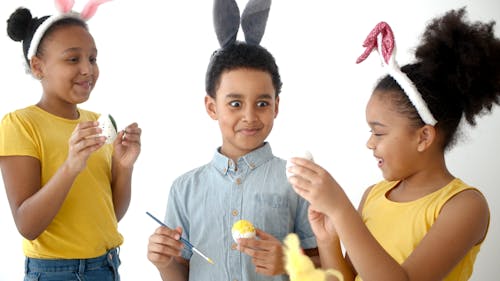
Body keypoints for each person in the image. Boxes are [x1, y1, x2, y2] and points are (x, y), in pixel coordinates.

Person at [287, 7, 498, 281]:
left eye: (379, 133)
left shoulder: (465, 206)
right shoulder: (373, 195)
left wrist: (341, 210)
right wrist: (328, 239)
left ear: (423, 137)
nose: (369, 143)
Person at [147, 1, 318, 280]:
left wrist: (290, 263)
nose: (250, 116)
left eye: (262, 103)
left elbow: (326, 267)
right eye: (235, 103)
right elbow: (182, 273)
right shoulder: (184, 190)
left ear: (276, 106)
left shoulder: (298, 182)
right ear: (212, 107)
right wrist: (164, 262)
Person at [0, 1, 142, 280]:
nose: (88, 70)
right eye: (73, 59)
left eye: (92, 58)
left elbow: (110, 215)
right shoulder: (19, 124)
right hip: (57, 273)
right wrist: (71, 167)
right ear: (38, 66)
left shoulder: (95, 122)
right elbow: (27, 225)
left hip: (108, 267)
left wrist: (124, 168)